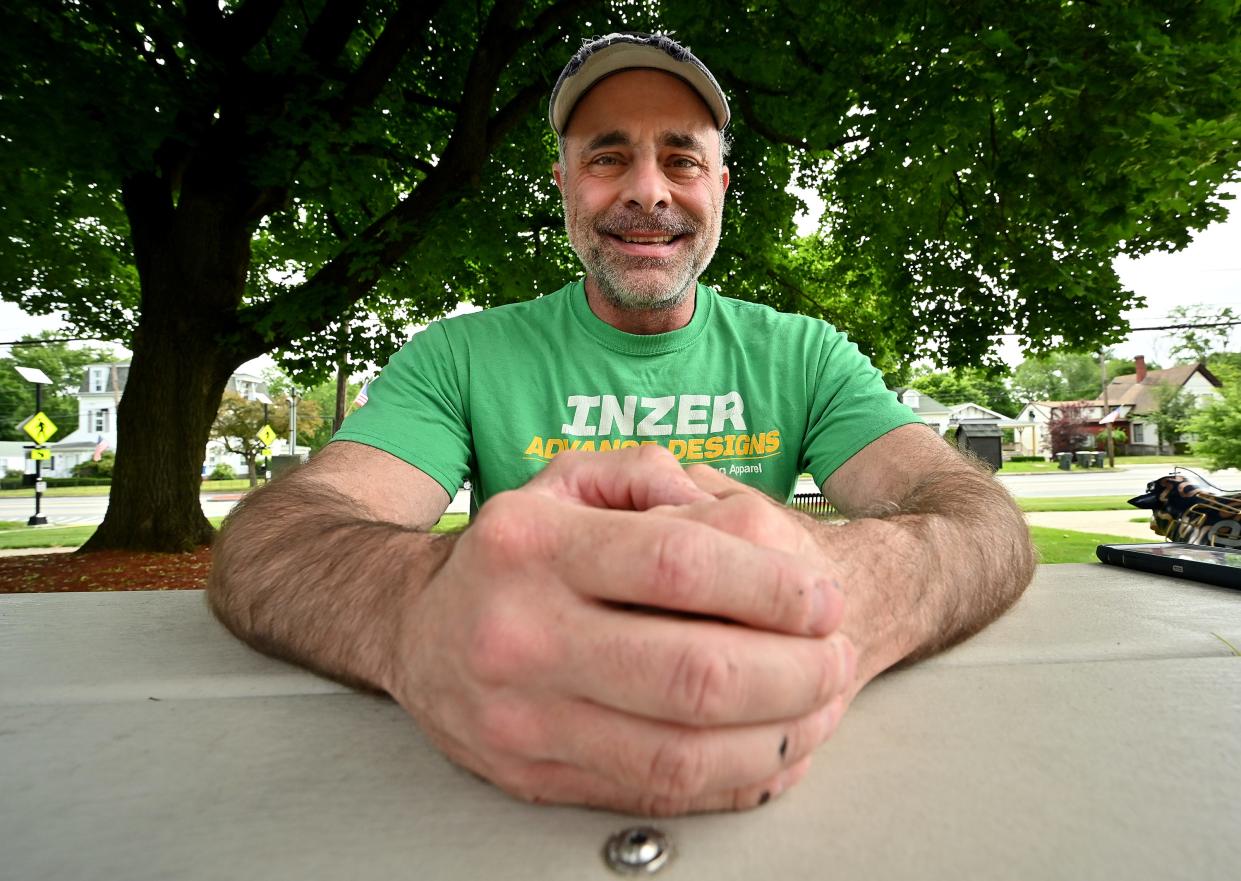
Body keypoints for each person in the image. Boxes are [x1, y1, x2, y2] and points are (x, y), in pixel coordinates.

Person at [208, 33, 1034, 817]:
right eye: (607, 157)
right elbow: (275, 539)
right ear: (564, 184)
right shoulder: (458, 356)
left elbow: (975, 514)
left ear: (719, 185)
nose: (647, 189)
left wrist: (843, 591)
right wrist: (416, 615)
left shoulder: (805, 355)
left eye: (681, 158)